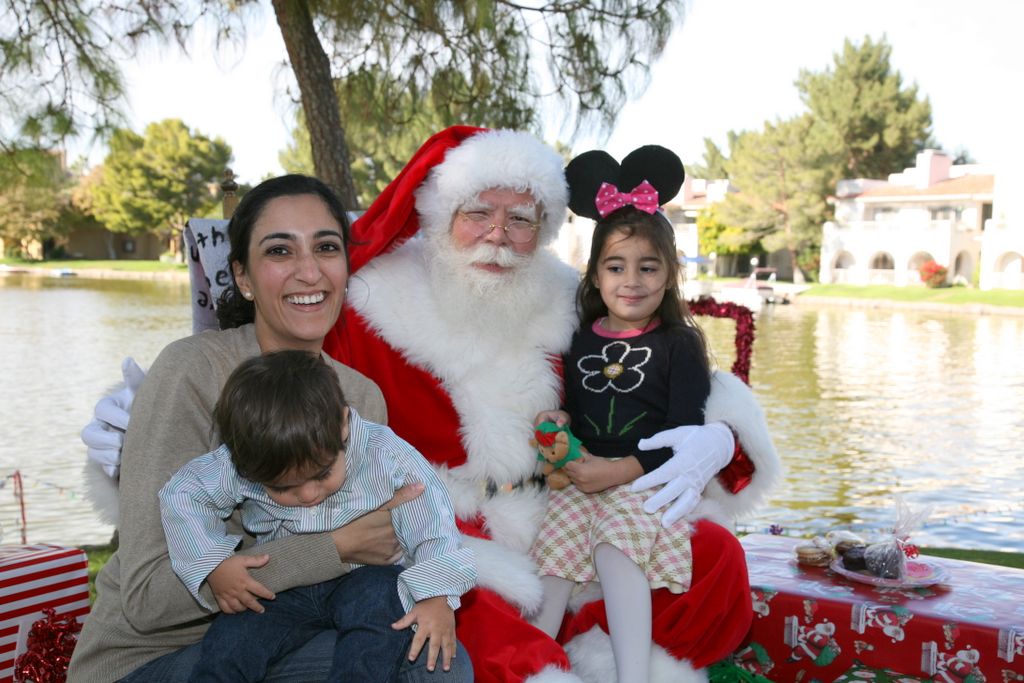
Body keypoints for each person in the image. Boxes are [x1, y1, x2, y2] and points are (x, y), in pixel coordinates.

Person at [83, 127, 780, 683]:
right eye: (478, 213)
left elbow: (665, 363)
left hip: (558, 511)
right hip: (438, 528)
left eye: (521, 219)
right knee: (455, 623)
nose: (499, 237)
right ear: (440, 214)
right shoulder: (366, 308)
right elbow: (266, 394)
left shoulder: (571, 297)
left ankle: (611, 654)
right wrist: (139, 435)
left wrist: (719, 434)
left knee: (712, 558)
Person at [70, 174, 473, 683]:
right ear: (242, 276)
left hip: (295, 630)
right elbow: (149, 599)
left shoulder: (361, 397)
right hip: (155, 656)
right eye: (280, 251)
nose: (309, 272)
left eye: (326, 247)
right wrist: (334, 548)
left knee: (424, 648)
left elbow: (386, 545)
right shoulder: (194, 372)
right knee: (427, 670)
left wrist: (426, 583)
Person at [526, 146, 738, 683]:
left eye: (648, 267)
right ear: (595, 276)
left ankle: (632, 673)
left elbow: (683, 430)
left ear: (669, 276)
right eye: (616, 266)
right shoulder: (579, 338)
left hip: (644, 484)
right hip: (579, 480)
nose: (632, 280)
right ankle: (534, 664)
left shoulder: (678, 343)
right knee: (550, 559)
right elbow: (577, 407)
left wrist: (621, 472)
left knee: (616, 550)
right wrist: (561, 426)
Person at [160, 350, 476, 681]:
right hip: (286, 587)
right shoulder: (252, 455)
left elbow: (433, 525)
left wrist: (436, 596)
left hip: (366, 577)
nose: (308, 495)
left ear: (342, 425)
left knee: (381, 630)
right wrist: (213, 564)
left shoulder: (387, 455)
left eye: (322, 474)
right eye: (283, 488)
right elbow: (184, 493)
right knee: (230, 642)